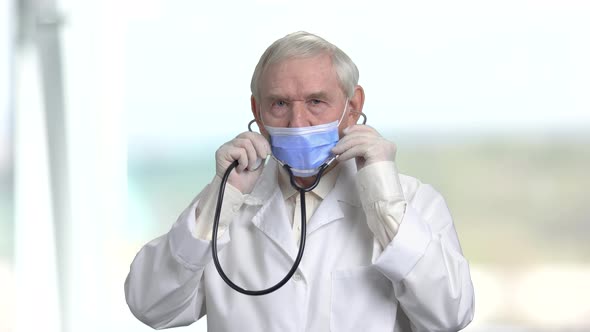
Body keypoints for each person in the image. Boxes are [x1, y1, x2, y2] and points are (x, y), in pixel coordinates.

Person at [125, 31, 474, 332]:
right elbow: (152, 306)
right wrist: (222, 196)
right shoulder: (225, 209)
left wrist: (385, 204)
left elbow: (448, 315)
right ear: (257, 112)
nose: (298, 122)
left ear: (352, 107)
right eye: (279, 104)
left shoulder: (415, 202)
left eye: (316, 102)